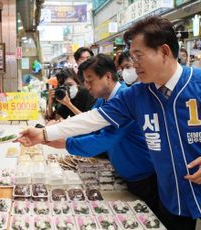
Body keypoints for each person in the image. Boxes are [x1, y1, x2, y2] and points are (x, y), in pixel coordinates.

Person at [18, 16, 201, 230]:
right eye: (131, 57)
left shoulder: (196, 84)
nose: (133, 65)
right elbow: (94, 119)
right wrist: (45, 134)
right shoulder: (137, 94)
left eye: (138, 56)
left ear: (164, 52)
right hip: (171, 197)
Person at [46, 54, 159, 214]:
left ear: (107, 77)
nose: (86, 86)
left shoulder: (125, 100)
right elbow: (88, 125)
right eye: (84, 81)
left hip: (145, 179)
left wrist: (65, 142)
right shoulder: (103, 100)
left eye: (90, 80)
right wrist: (61, 128)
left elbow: (104, 139)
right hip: (127, 176)